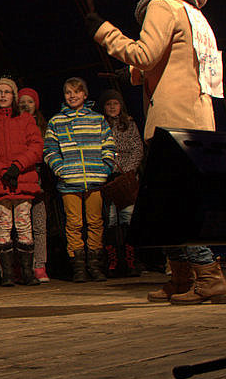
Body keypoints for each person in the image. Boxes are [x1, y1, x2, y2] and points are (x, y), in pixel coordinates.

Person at [87, 0, 226, 304]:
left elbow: (145, 53)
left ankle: (208, 277)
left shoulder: (161, 4)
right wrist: (134, 73)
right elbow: (176, 61)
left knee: (175, 202)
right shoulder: (192, 9)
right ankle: (181, 277)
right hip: (196, 117)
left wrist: (104, 31)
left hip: (171, 121)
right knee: (168, 200)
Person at [43, 78, 115, 283]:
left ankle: (94, 264)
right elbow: (50, 150)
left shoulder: (97, 119)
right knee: (73, 224)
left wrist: (105, 168)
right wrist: (61, 169)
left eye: (76, 92)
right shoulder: (57, 121)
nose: (72, 96)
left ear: (85, 94)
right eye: (68, 92)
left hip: (94, 179)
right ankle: (79, 266)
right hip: (69, 181)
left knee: (95, 222)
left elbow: (109, 145)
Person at [0, 78, 44, 287]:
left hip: (22, 179)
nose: (3, 96)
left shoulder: (25, 119)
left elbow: (36, 146)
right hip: (1, 181)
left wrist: (17, 166)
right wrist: (2, 170)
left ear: (13, 96)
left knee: (24, 224)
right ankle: (7, 273)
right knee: (3, 226)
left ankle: (27, 272)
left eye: (7, 92)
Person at [96, 90, 144, 278]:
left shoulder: (129, 124)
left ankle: (131, 261)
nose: (112, 107)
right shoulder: (99, 125)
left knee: (128, 219)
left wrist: (127, 171)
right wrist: (108, 169)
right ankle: (113, 262)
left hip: (126, 178)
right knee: (110, 220)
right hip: (108, 177)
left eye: (115, 103)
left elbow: (137, 149)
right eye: (108, 104)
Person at [17, 87, 51, 283]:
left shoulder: (44, 127)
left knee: (39, 224)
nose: (25, 105)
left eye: (30, 101)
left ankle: (39, 265)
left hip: (39, 179)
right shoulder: (14, 124)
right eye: (22, 101)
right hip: (20, 177)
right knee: (20, 225)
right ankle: (22, 266)